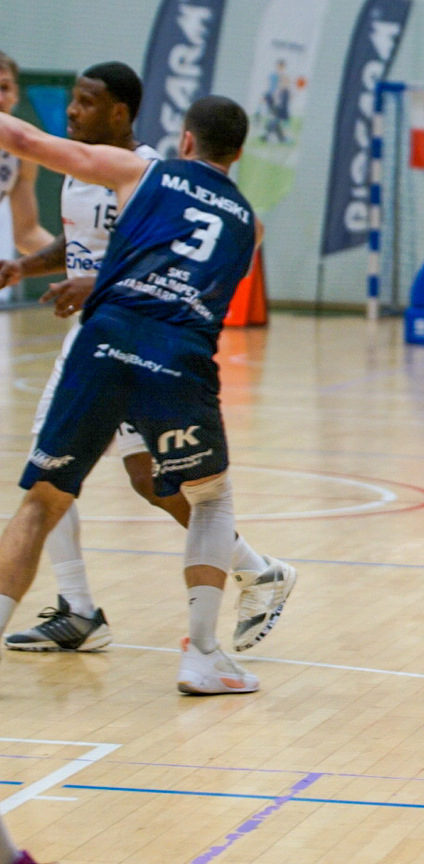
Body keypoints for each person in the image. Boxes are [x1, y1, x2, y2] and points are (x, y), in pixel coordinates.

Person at [0, 64, 294, 656]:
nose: (72, 111)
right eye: (72, 101)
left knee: (125, 481)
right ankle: (80, 607)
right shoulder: (83, 173)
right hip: (109, 330)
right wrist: (25, 267)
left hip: (131, 325)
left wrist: (98, 283)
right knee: (86, 474)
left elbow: (166, 256)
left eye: (86, 103)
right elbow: (80, 246)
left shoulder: (152, 171)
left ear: (121, 113)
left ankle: (255, 569)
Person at [0, 51, 55, 275]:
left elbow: (26, 233)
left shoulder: (21, 150)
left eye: (4, 88)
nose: (0, 98)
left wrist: (78, 261)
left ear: (16, 95)